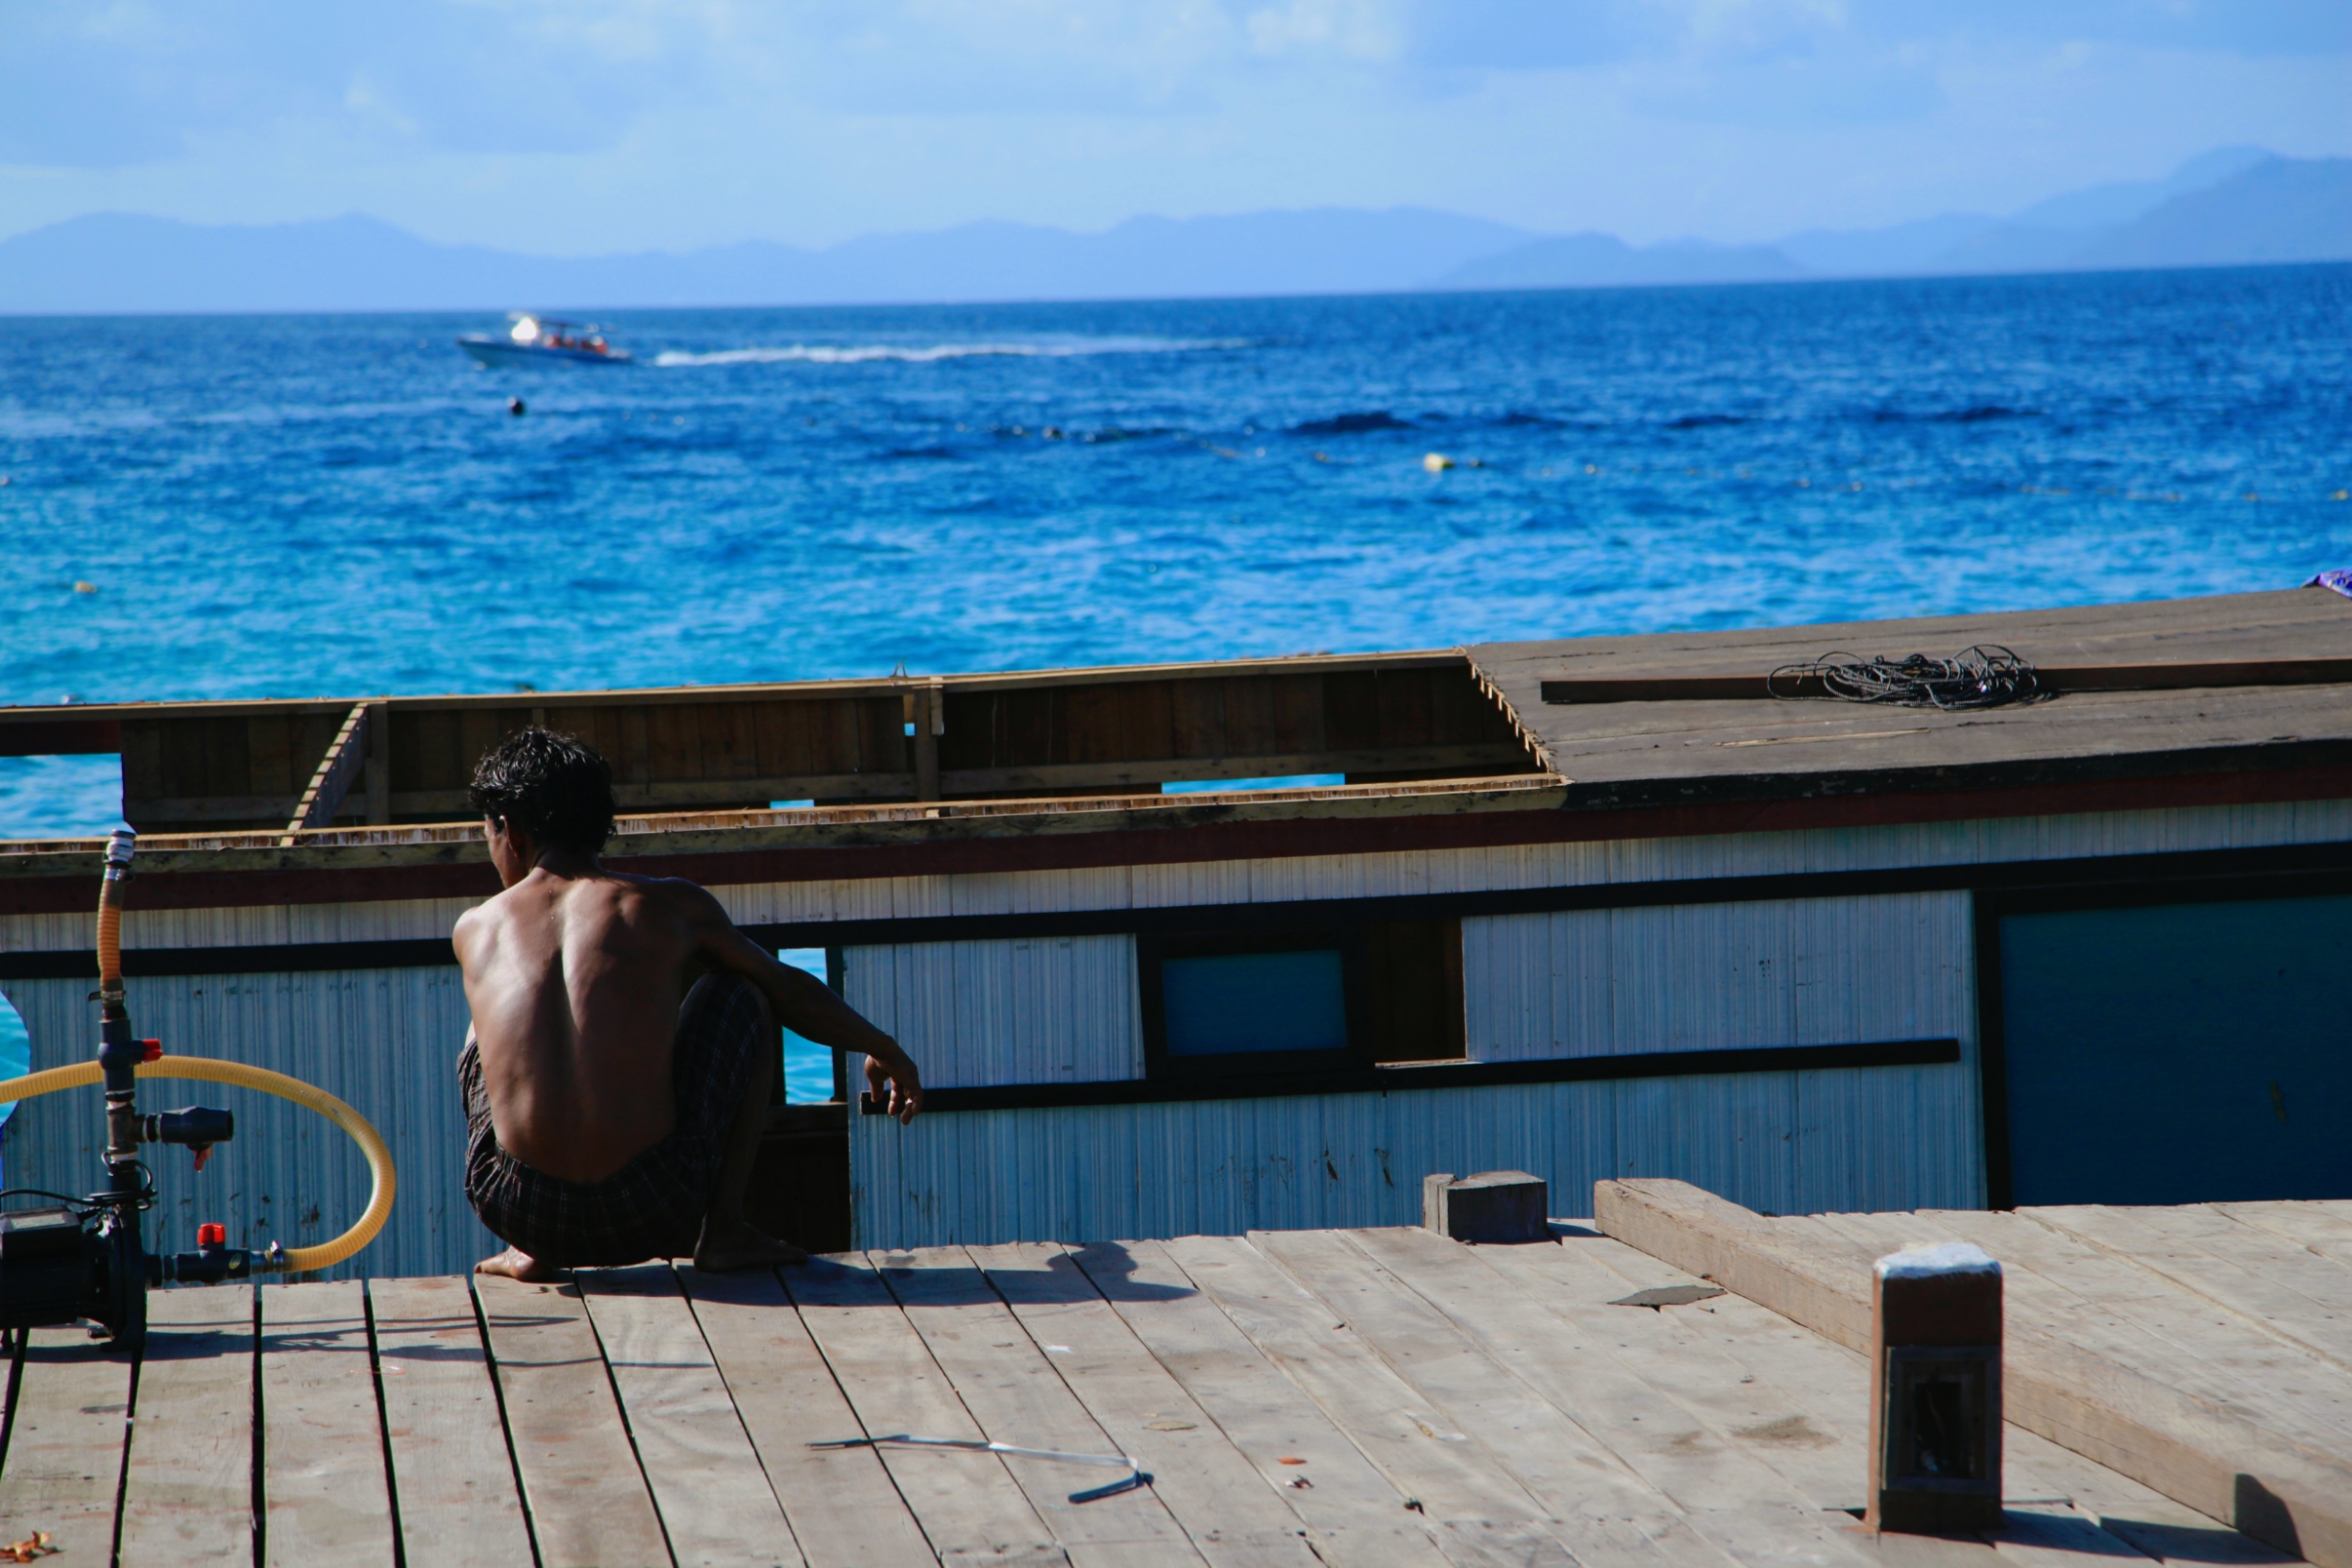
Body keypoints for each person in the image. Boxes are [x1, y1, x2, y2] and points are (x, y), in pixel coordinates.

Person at [453, 727, 921, 1281]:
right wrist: (881, 1046)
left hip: (520, 1209)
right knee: (745, 990)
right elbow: (787, 987)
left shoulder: (476, 927)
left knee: (485, 1026)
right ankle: (723, 1231)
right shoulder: (668, 906)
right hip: (652, 1207)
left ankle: (528, 1252)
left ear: (510, 829)